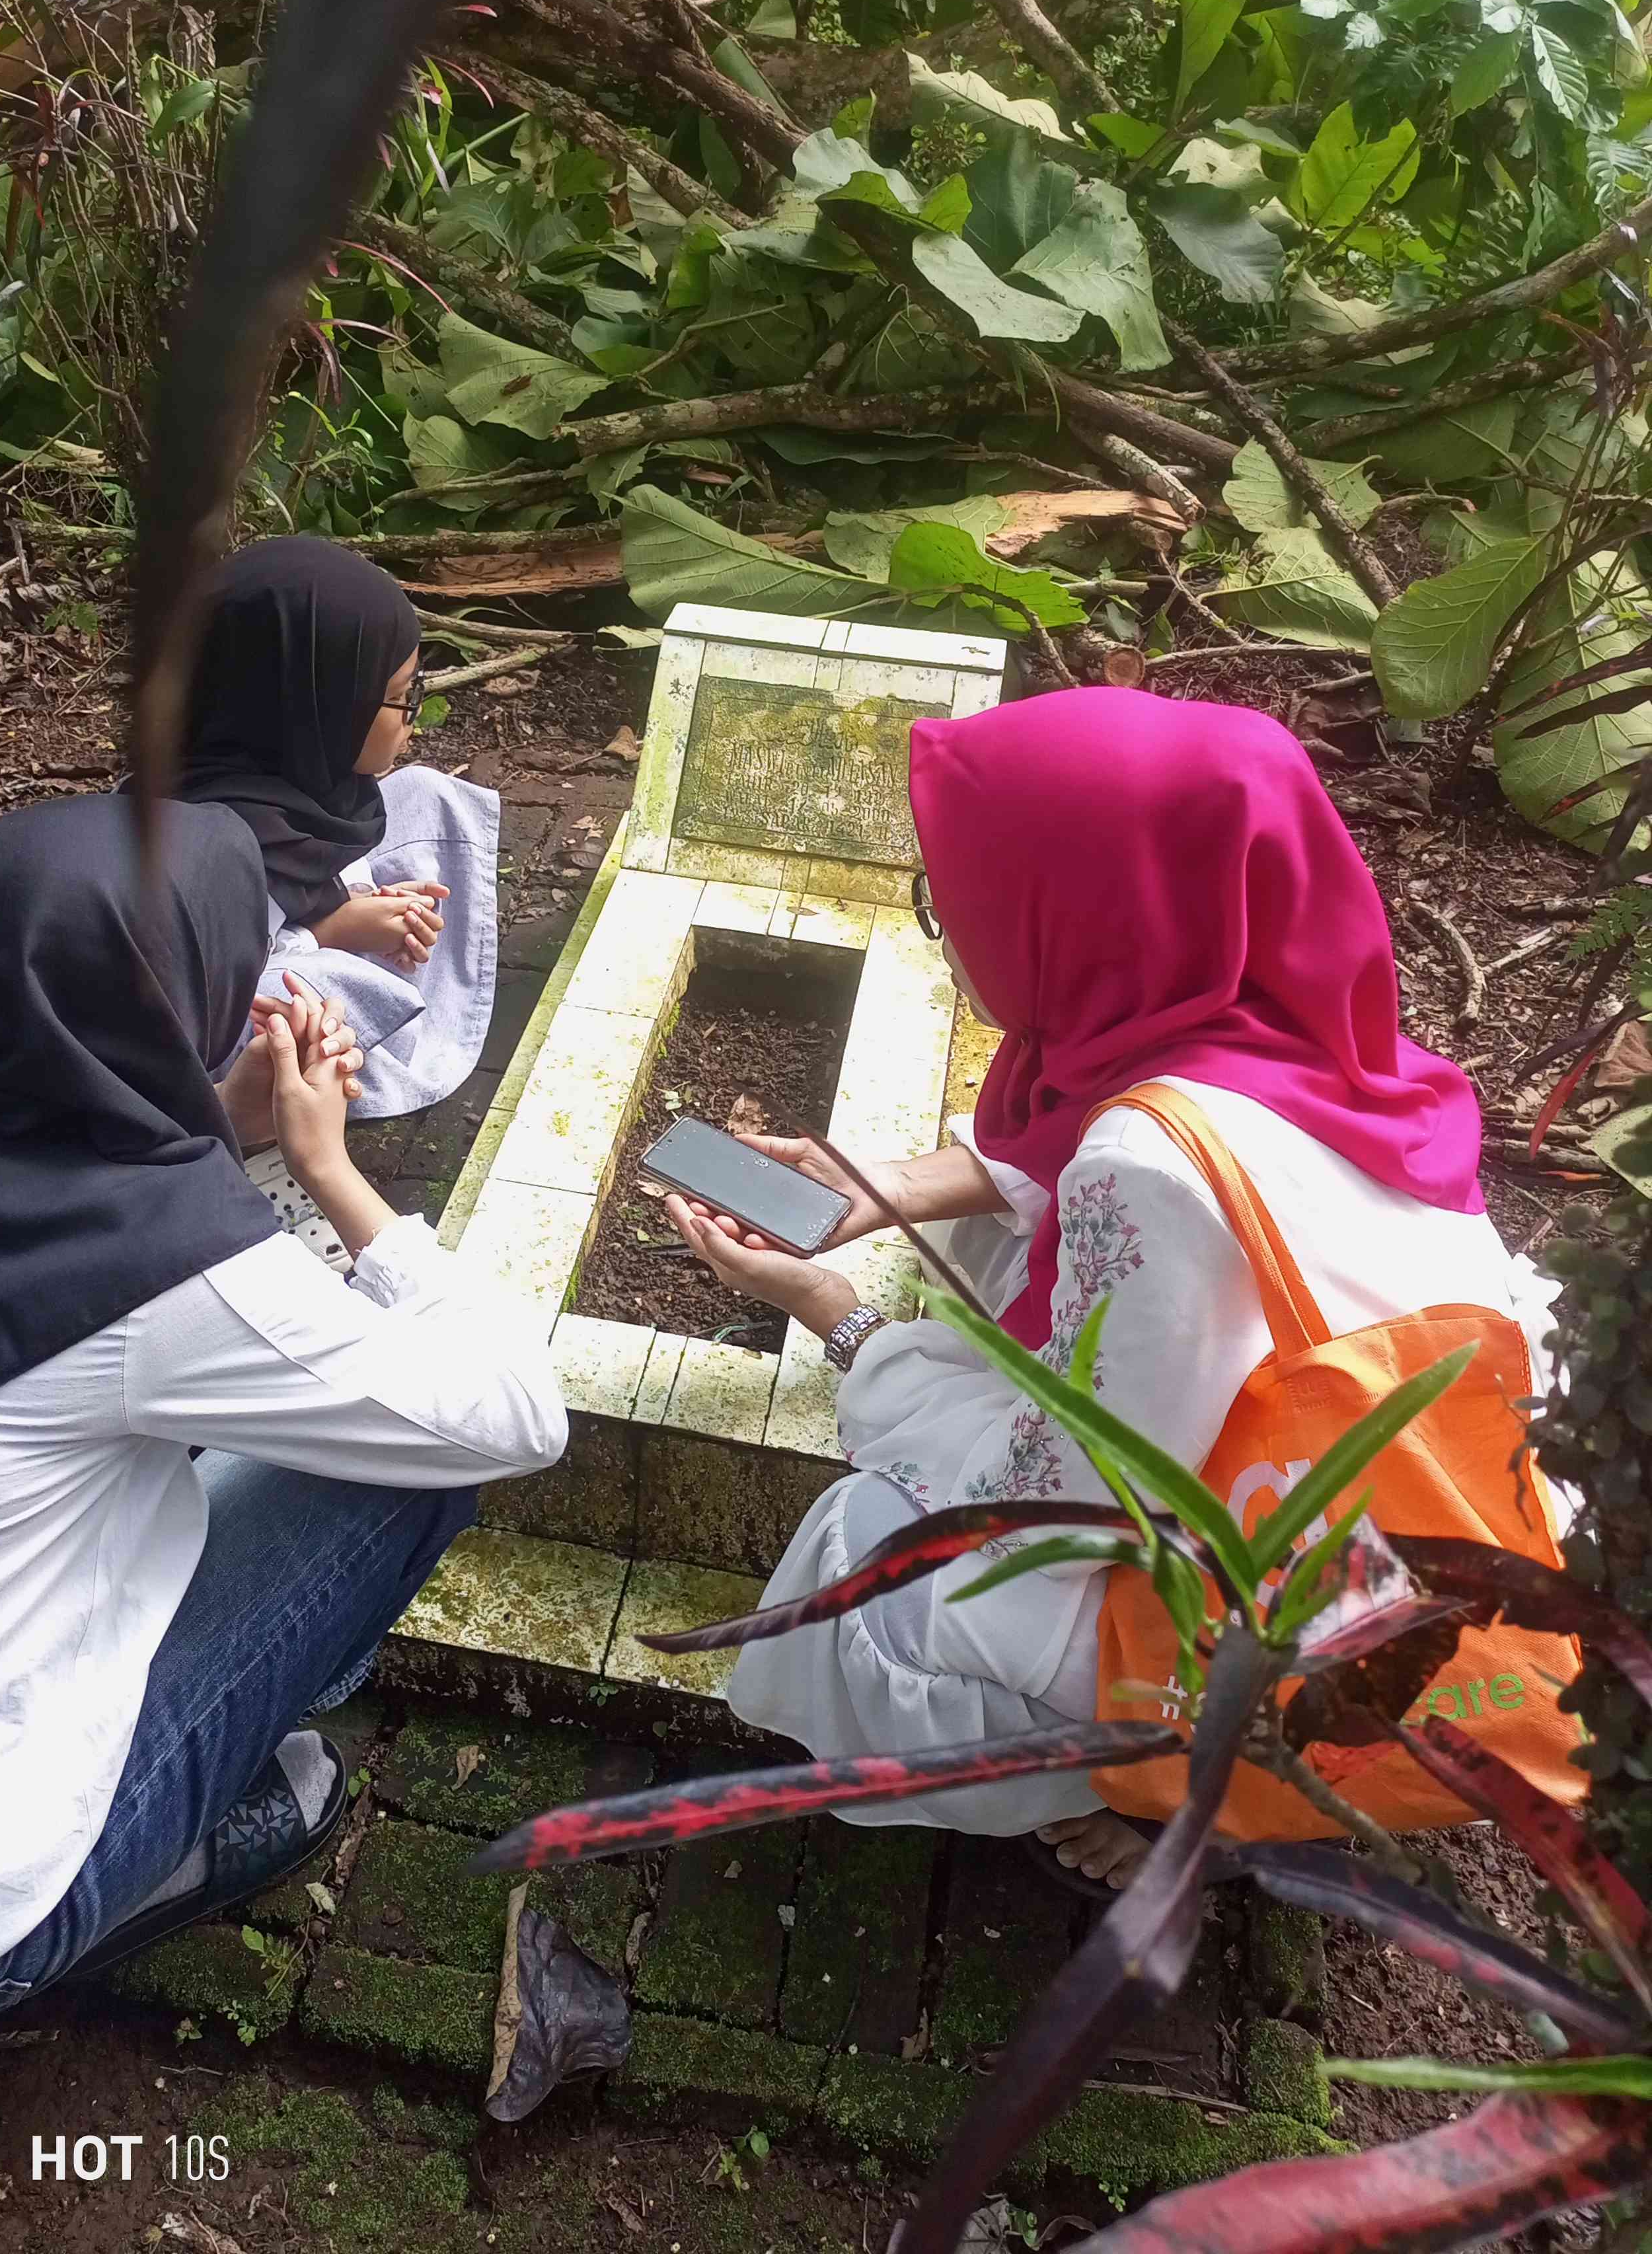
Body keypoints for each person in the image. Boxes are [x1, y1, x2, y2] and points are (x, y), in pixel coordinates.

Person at [0, 796, 564, 2075]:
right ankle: (142, 1863)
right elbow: (512, 1410)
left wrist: (218, 1118)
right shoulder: (167, 1275)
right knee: (403, 1473)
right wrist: (327, 1165)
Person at [661, 689, 1560, 1893]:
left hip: (1335, 1614)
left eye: (955, 900)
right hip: (1434, 1493)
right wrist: (880, 1183)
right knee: (991, 1273)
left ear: (1075, 918)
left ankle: (1187, 1784)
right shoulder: (1305, 1021)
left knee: (862, 1563)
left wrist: (842, 1318)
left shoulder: (1146, 1171)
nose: (953, 927)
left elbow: (1062, 1507)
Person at [176, 533, 502, 1121]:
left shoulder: (277, 766)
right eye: (402, 698)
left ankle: (403, 984)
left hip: (290, 925)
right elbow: (205, 985)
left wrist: (352, 902)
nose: (415, 717)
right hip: (217, 1029)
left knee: (427, 794)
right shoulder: (212, 839)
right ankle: (386, 1049)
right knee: (309, 993)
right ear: (318, 705)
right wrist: (330, 931)